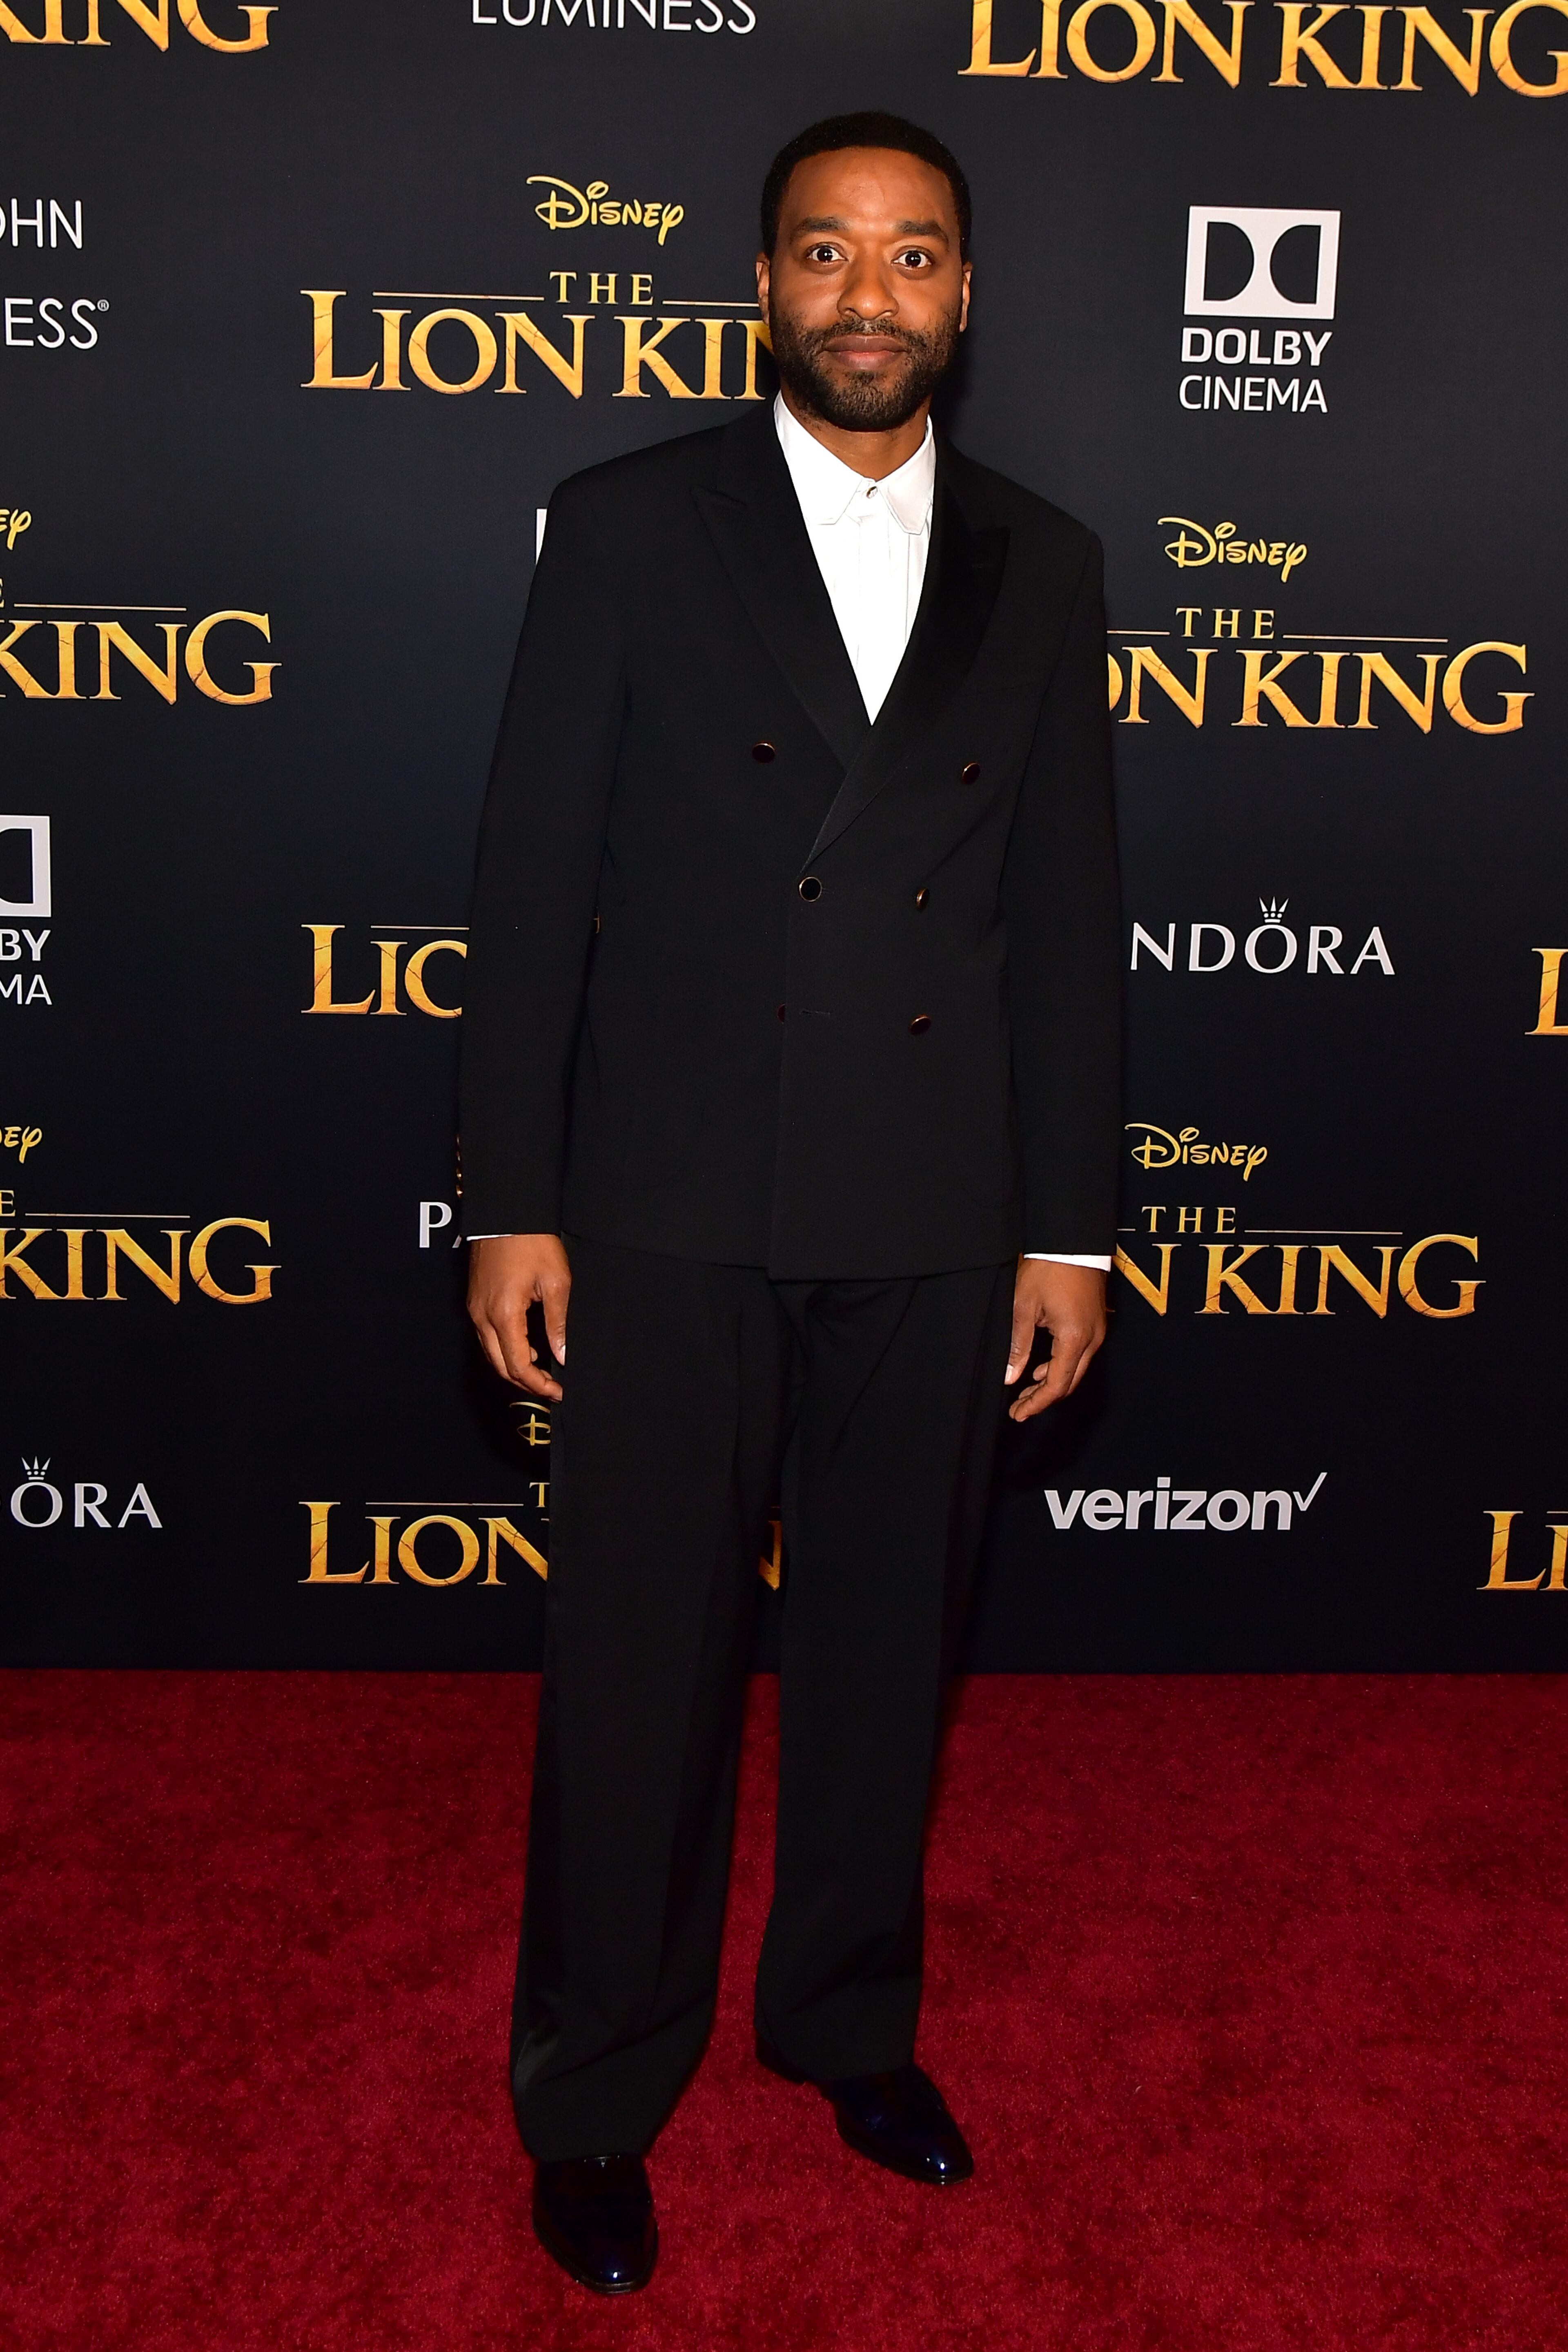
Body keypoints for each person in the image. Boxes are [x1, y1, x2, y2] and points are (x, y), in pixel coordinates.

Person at [460, 111, 1120, 2295]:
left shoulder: (1046, 554)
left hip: (933, 1202)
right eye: (825, 255)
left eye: (913, 257)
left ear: (963, 297)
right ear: (761, 288)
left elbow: (1064, 907)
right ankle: (595, 2092)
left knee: (880, 1652)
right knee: (639, 1666)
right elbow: (533, 880)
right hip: (663, 1188)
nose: (869, 296)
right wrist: (513, 1201)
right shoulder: (632, 524)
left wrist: (1070, 1227)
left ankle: (844, 2027)